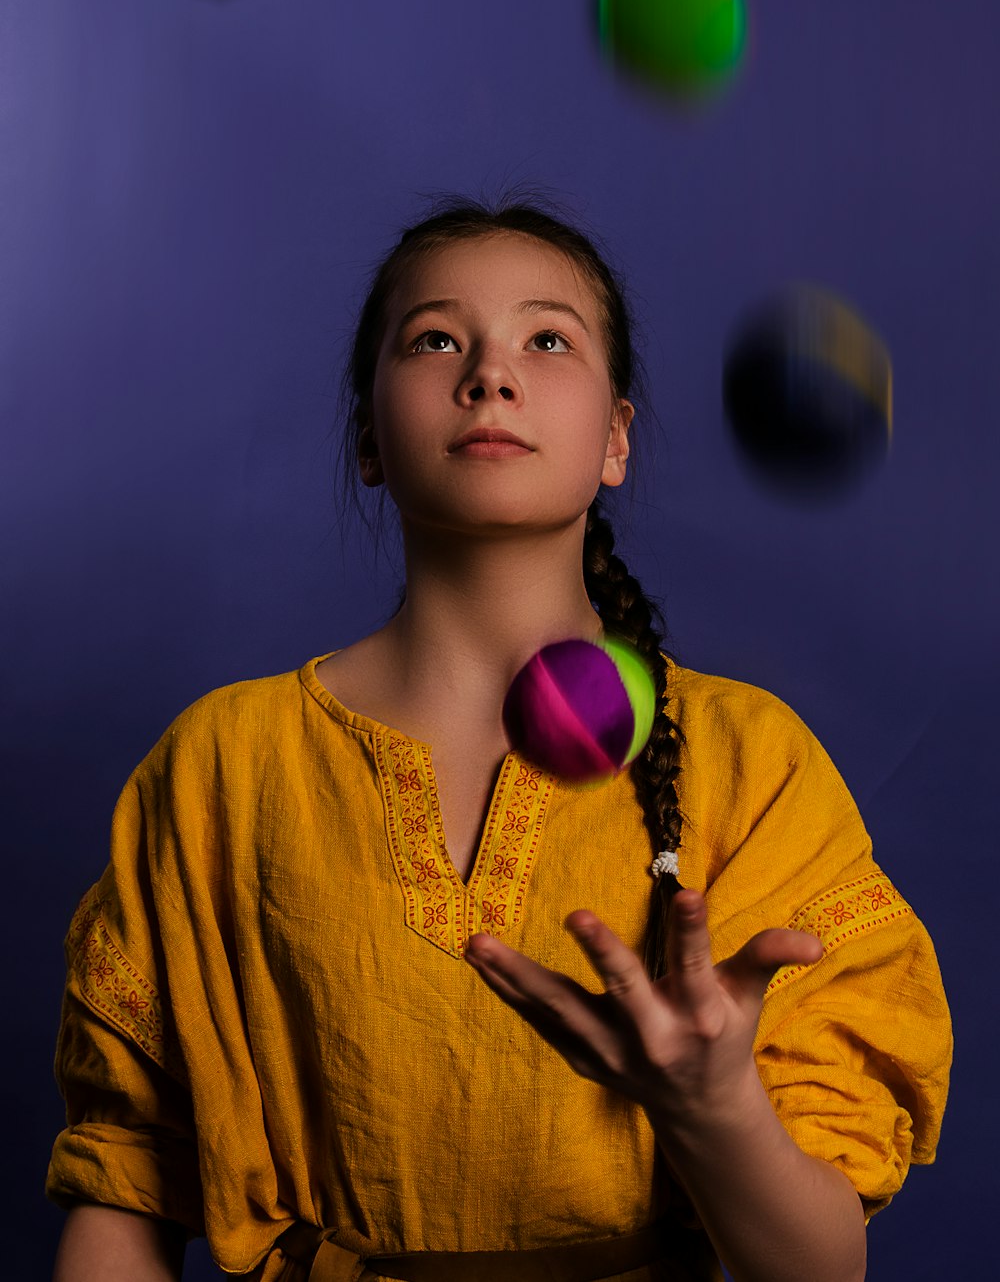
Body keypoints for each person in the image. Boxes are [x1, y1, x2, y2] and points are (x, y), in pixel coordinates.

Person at [47, 195, 952, 1282]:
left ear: (614, 439)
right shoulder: (219, 767)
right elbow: (124, 1189)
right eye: (435, 338)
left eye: (547, 339)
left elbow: (818, 1270)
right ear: (367, 437)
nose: (489, 373)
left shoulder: (748, 758)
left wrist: (712, 1105)